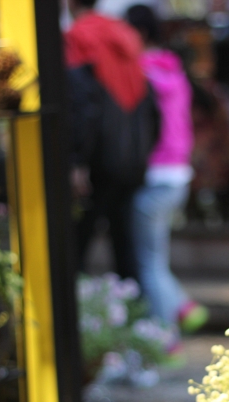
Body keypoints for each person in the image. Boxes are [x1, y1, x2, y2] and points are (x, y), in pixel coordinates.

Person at [125, 4, 208, 337]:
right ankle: (183, 307)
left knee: (149, 263)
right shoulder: (174, 70)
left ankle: (166, 341)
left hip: (155, 177)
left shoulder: (141, 74)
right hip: (178, 175)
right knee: (155, 259)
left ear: (138, 33)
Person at [65, 0, 157, 283]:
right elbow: (151, 106)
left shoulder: (79, 37)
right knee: (125, 246)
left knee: (76, 247)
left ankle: (77, 319)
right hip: (133, 159)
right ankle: (134, 317)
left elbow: (83, 106)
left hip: (100, 160)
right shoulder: (124, 35)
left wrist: (78, 160)